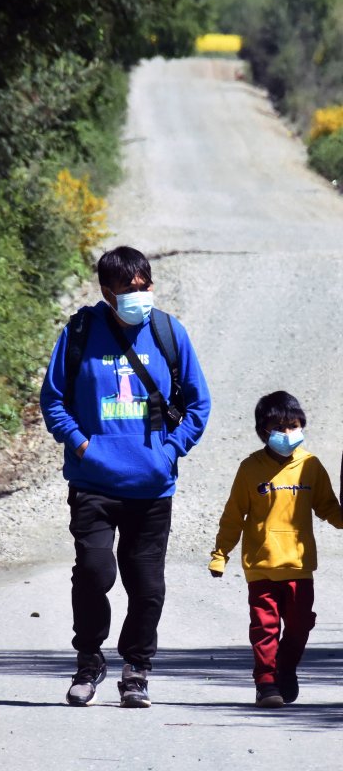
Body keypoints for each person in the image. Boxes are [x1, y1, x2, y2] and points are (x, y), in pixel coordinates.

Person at [40, 246, 210, 708]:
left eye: (145, 285)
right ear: (107, 291)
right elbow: (53, 400)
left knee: (147, 586)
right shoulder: (79, 333)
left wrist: (169, 451)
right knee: (94, 572)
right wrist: (82, 445)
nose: (140, 294)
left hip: (152, 489)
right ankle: (89, 661)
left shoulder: (169, 332)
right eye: (129, 288)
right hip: (93, 484)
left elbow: (199, 404)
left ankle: (136, 669)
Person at [208, 391, 343, 708]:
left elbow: (328, 507)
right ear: (263, 431)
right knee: (264, 629)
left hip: (299, 566)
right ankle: (266, 683)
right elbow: (233, 516)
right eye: (279, 428)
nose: (287, 433)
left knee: (299, 625)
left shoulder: (310, 466)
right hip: (261, 566)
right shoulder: (250, 468)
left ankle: (285, 667)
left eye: (293, 426)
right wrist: (220, 554)